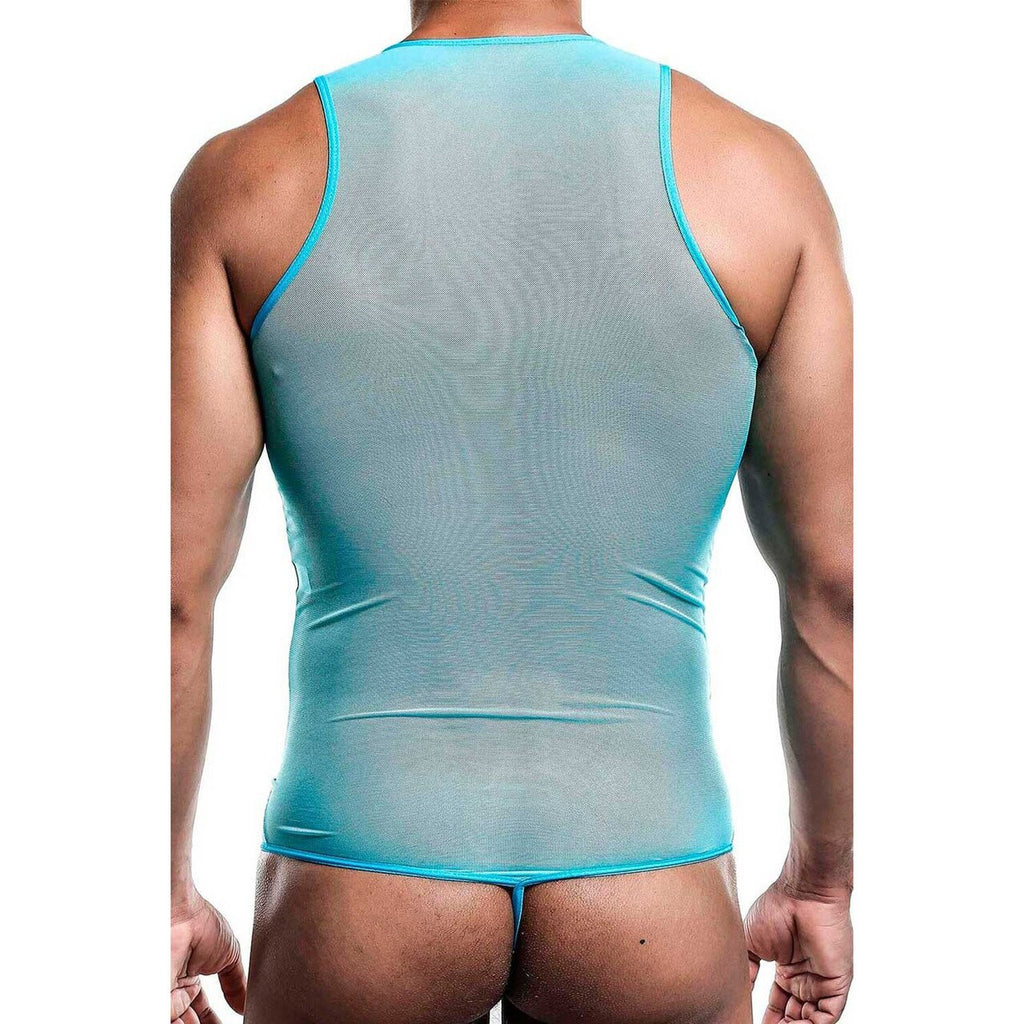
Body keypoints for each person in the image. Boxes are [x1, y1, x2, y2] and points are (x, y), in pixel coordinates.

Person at [171, 2, 853, 1021]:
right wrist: (820, 885)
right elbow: (836, 587)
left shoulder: (249, 175)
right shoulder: (759, 174)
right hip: (652, 875)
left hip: (359, 873)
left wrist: (159, 894)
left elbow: (170, 595)